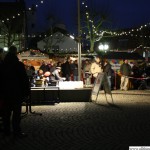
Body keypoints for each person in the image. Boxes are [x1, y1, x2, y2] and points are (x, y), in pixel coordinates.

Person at [2, 46, 30, 137]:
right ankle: (16, 131)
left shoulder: (2, 65)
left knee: (6, 113)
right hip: (16, 92)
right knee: (16, 113)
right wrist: (26, 92)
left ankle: (6, 131)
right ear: (15, 52)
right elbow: (24, 80)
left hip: (5, 93)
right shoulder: (19, 65)